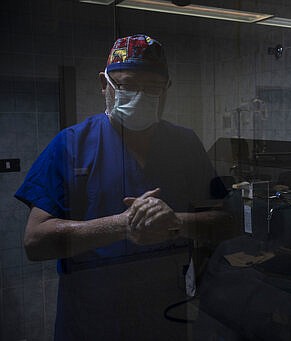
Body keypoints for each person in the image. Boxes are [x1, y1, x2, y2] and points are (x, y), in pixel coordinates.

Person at [14, 34, 233, 340]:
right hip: (92, 310)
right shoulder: (72, 145)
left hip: (164, 308)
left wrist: (175, 223)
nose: (141, 96)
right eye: (128, 85)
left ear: (167, 89)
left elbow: (225, 223)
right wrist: (123, 225)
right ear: (104, 85)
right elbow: (35, 242)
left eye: (153, 88)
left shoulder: (184, 144)